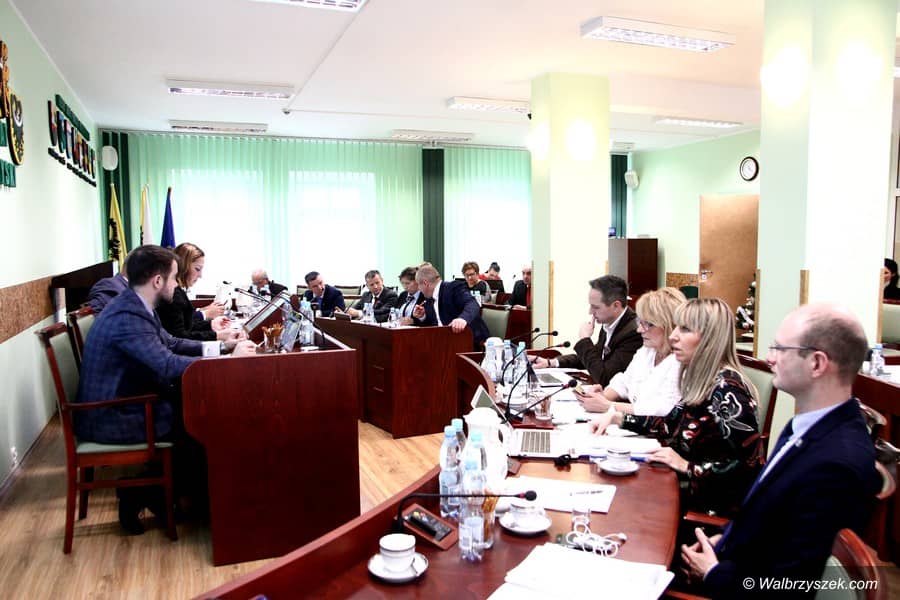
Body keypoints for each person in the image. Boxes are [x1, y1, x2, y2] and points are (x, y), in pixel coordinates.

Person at [680, 304, 881, 598]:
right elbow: (769, 517)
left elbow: (792, 585)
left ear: (816, 363)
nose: (769, 358)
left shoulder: (836, 465)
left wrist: (713, 573)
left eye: (779, 349)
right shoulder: (808, 426)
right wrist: (722, 542)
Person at [75, 245, 256, 532]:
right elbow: (167, 363)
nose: (176, 284)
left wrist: (222, 347)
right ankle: (147, 495)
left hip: (123, 402)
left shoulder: (136, 305)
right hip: (109, 416)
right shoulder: (129, 316)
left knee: (194, 415)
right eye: (173, 278)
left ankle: (170, 497)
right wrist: (226, 362)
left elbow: (171, 343)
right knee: (196, 422)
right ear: (158, 281)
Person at [590, 297, 761, 518]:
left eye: (685, 329)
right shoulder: (702, 380)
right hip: (684, 491)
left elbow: (747, 468)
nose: (673, 336)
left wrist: (686, 466)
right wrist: (619, 418)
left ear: (710, 338)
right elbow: (671, 423)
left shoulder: (727, 390)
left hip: (705, 510)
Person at [574, 287, 686, 416]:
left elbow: (665, 409)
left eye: (648, 324)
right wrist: (603, 396)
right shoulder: (647, 350)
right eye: (640, 322)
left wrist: (608, 406)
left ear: (670, 325)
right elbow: (625, 381)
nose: (639, 330)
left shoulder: (680, 361)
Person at [534, 275, 642, 387]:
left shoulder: (635, 333)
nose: (590, 312)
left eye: (596, 307)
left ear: (616, 306)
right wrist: (550, 362)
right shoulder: (609, 321)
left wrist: (585, 340)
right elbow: (594, 358)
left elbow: (605, 378)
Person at [156, 243, 238, 342]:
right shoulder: (173, 294)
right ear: (183, 267)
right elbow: (179, 337)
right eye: (197, 269)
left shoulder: (178, 292)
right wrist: (217, 335)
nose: (200, 275)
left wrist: (211, 325)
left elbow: (187, 325)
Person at [412, 265, 489, 346]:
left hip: (470, 342)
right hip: (445, 343)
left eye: (418, 285)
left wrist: (462, 319)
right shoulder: (428, 299)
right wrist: (422, 316)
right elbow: (433, 325)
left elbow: (472, 303)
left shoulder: (453, 288)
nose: (419, 289)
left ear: (425, 283)